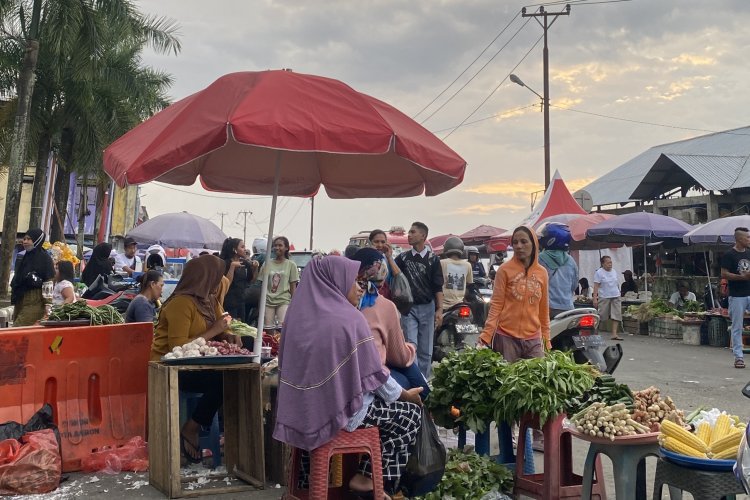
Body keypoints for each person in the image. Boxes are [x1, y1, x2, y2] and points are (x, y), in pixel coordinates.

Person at [273, 256, 422, 498]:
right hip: (340, 414)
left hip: (301, 412)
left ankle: (304, 485)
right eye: (354, 281)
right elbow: (374, 376)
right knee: (410, 417)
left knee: (321, 414)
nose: (359, 288)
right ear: (336, 282)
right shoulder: (349, 320)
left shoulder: (295, 317)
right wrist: (405, 396)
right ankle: (368, 478)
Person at [150, 255, 238, 463]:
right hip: (171, 368)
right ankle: (192, 428)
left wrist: (228, 336)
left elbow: (220, 326)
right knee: (221, 381)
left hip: (199, 363)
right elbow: (178, 349)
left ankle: (232, 438)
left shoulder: (208, 301)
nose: (219, 282)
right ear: (203, 278)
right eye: (216, 277)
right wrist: (214, 330)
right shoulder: (181, 303)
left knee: (236, 377)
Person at [477, 225, 549, 472]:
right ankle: (512, 439)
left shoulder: (542, 273)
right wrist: (486, 336)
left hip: (533, 339)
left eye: (523, 242)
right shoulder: (505, 271)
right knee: (508, 393)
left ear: (533, 244)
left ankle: (533, 435)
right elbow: (495, 305)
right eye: (515, 242)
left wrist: (547, 342)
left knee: (537, 390)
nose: (518, 246)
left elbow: (544, 311)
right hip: (506, 337)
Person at [350, 248, 429, 397]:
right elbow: (399, 357)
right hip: (364, 381)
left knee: (408, 371)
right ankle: (431, 407)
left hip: (362, 375)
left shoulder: (335, 302)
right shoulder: (380, 305)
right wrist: (411, 348)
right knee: (411, 377)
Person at [394, 222, 444, 377]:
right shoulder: (402, 258)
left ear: (423, 236)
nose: (409, 234)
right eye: (409, 231)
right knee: (411, 346)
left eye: (413, 232)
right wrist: (389, 258)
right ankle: (414, 379)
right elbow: (395, 276)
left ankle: (425, 382)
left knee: (426, 349)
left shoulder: (433, 260)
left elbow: (438, 286)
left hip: (428, 307)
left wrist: (440, 309)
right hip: (408, 308)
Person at [10, 228, 55, 326]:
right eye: (24, 239)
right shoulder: (24, 257)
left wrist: (48, 304)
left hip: (35, 300)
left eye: (29, 239)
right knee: (19, 330)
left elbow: (48, 281)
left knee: (17, 328)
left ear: (37, 240)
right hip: (21, 299)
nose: (25, 241)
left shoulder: (45, 259)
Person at [720, 227, 750, 369]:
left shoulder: (749, 253)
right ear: (739, 239)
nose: (749, 240)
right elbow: (724, 274)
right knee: (737, 326)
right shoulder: (729, 255)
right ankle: (739, 357)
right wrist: (741, 277)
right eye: (747, 238)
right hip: (737, 296)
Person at [537, 223, 578, 319]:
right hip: (568, 307)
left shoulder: (539, 259)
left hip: (547, 308)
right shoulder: (571, 260)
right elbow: (574, 285)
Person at [261, 236, 299, 328]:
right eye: (275, 245)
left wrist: (294, 304)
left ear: (286, 248)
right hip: (268, 301)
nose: (277, 248)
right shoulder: (267, 263)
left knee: (283, 328)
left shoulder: (291, 265)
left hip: (284, 301)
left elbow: (293, 287)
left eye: (280, 245)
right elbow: (262, 284)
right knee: (268, 329)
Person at [219, 238, 259, 322]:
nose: (245, 249)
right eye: (242, 247)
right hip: (228, 301)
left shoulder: (244, 263)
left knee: (241, 327)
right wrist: (232, 267)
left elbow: (251, 281)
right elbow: (226, 283)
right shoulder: (225, 263)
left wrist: (255, 269)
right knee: (230, 327)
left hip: (241, 300)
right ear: (234, 249)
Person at [593, 255, 624, 341]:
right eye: (608, 263)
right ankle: (595, 332)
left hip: (616, 295)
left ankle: (614, 334)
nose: (610, 264)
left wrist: (619, 292)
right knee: (601, 315)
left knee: (616, 314)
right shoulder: (599, 272)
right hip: (604, 296)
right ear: (603, 264)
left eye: (611, 262)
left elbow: (616, 283)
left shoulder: (614, 271)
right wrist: (595, 298)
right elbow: (596, 286)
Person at [440, 237, 473, 311]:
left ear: (446, 248)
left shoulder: (442, 263)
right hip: (460, 305)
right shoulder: (468, 265)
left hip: (443, 306)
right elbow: (469, 284)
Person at [369, 229, 402, 299]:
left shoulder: (387, 258)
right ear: (370, 242)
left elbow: (398, 276)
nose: (380, 245)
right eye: (376, 242)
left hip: (385, 298)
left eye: (383, 242)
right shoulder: (364, 257)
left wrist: (389, 257)